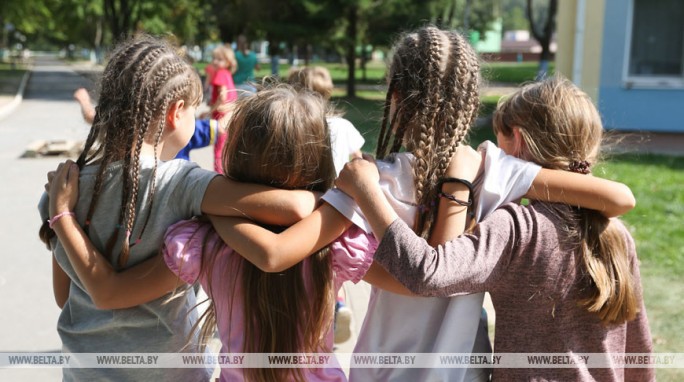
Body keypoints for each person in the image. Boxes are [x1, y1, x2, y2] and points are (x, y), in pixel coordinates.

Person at [207, 26, 636, 382]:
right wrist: (463, 180)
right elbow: (618, 197)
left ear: (394, 97)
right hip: (463, 369)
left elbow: (282, 251)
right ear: (471, 101)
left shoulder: (374, 180)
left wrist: (208, 200)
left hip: (384, 367)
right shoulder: (497, 169)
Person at [335, 76, 654, 381]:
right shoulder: (615, 234)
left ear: (517, 138)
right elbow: (638, 350)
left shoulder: (518, 229)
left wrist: (367, 191)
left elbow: (426, 273)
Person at [39, 35, 317, 382]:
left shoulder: (64, 191)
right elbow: (294, 206)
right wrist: (212, 215)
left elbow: (63, 296)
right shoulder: (183, 184)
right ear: (176, 112)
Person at [287, 65, 365, 343]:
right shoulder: (343, 127)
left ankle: (312, 318)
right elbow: (358, 160)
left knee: (307, 265)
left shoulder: (295, 128)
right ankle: (337, 306)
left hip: (305, 206)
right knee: (333, 264)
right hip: (339, 207)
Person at [73, 87, 222, 162]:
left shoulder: (121, 121)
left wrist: (85, 101)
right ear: (176, 112)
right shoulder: (186, 180)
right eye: (193, 108)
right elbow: (222, 128)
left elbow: (92, 116)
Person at [287, 66, 365, 175]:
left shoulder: (292, 126)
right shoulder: (342, 125)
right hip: (337, 188)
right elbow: (358, 159)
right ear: (327, 92)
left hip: (302, 188)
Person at [208, 44, 238, 173]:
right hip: (230, 114)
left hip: (221, 115)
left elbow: (222, 96)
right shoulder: (226, 73)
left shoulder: (219, 73)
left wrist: (210, 110)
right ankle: (226, 172)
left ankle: (219, 176)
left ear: (228, 62)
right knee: (225, 147)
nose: (215, 61)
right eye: (214, 58)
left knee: (218, 149)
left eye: (219, 59)